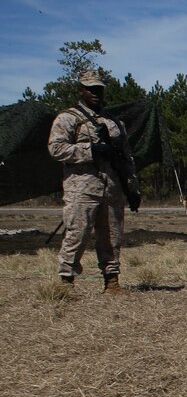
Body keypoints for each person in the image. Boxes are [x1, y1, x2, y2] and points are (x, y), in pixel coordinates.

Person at [47, 70, 139, 293]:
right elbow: (56, 148)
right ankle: (66, 283)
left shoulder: (115, 123)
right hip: (82, 187)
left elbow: (126, 158)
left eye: (99, 89)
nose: (96, 93)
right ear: (81, 90)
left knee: (112, 235)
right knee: (77, 233)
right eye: (91, 89)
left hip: (112, 187)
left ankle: (112, 282)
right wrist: (91, 150)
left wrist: (133, 188)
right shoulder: (69, 118)